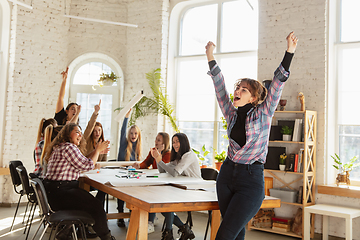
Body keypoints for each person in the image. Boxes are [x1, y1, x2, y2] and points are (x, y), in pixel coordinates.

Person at [205, 31, 298, 240]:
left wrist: (289, 52)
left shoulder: (263, 113)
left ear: (254, 98)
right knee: (236, 233)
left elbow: (277, 84)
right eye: (238, 87)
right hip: (227, 176)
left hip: (251, 180)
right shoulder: (230, 113)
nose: (238, 90)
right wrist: (210, 57)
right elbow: (219, 86)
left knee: (225, 234)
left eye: (244, 89)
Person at [42, 123, 115, 240]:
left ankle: (68, 232)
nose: (80, 135)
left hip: (55, 193)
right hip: (62, 193)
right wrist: (97, 151)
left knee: (88, 202)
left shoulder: (60, 147)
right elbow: (88, 165)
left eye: (80, 132)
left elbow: (84, 160)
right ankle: (107, 238)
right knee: (96, 205)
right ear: (67, 134)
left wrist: (96, 151)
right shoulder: (69, 148)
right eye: (77, 132)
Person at [155, 133, 201, 240]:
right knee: (163, 208)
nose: (175, 144)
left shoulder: (189, 155)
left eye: (177, 141)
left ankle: (168, 233)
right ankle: (184, 229)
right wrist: (159, 157)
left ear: (183, 142)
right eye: (173, 142)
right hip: (185, 188)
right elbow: (162, 170)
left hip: (195, 190)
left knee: (168, 202)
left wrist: (159, 161)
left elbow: (174, 173)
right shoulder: (178, 157)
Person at [132, 132, 171, 233]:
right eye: (156, 139)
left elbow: (163, 169)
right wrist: (139, 166)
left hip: (164, 183)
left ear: (164, 143)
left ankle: (149, 221)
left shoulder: (168, 154)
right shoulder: (153, 151)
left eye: (159, 140)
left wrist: (159, 155)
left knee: (150, 194)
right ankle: (147, 217)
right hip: (155, 180)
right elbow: (146, 162)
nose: (156, 142)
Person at [116, 109, 142, 227]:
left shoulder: (138, 147)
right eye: (131, 133)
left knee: (134, 193)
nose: (133, 135)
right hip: (121, 174)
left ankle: (132, 214)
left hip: (132, 175)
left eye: (135, 133)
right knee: (122, 193)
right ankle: (120, 214)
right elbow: (122, 132)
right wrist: (126, 117)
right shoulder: (124, 144)